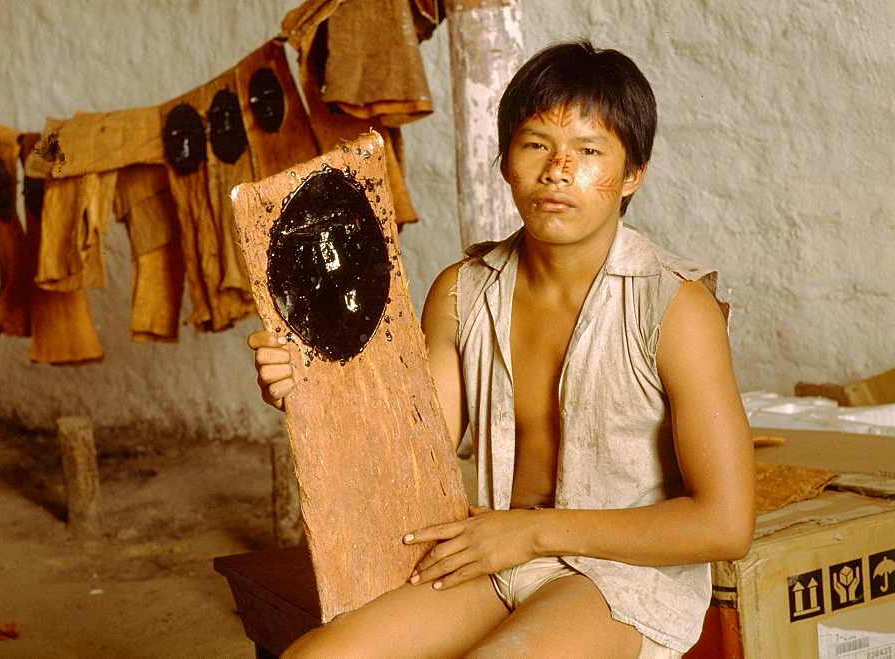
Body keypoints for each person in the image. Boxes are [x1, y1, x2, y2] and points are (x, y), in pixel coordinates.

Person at [247, 39, 755, 658]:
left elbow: (726, 523)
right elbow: (410, 455)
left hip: (621, 576)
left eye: (589, 151)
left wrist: (533, 533)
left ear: (632, 174)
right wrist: (314, 397)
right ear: (506, 161)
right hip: (490, 553)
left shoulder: (676, 308)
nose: (557, 170)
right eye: (536, 144)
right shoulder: (463, 292)